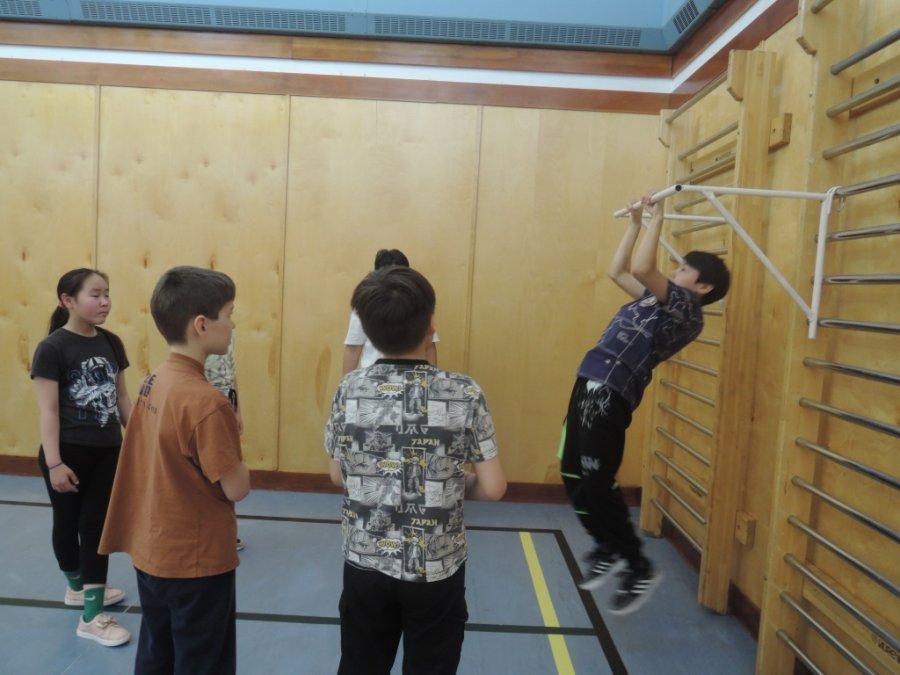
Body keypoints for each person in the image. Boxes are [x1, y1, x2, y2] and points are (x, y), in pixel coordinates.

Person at [325, 266, 507, 674]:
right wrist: (448, 483)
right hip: (435, 566)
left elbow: (338, 476)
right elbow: (494, 487)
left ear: (368, 333)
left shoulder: (349, 389)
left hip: (365, 562)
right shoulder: (464, 392)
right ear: (431, 327)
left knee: (361, 663)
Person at [560, 193, 730, 615]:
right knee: (572, 470)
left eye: (684, 269)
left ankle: (637, 567)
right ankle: (605, 544)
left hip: (611, 390)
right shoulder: (654, 299)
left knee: (598, 480)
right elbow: (619, 270)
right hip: (589, 380)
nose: (675, 271)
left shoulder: (686, 310)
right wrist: (635, 223)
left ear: (703, 287)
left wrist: (658, 215)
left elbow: (641, 268)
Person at [99, 266, 250, 674]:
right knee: (203, 660)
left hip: (153, 551)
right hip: (196, 561)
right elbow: (236, 487)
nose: (233, 324)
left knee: (157, 652)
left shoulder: (154, 380)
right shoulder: (208, 402)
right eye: (229, 314)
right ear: (202, 325)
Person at [31, 268, 132, 647]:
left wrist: (140, 441)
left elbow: (122, 398)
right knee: (67, 522)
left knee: (95, 528)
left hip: (108, 452)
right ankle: (77, 587)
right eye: (95, 294)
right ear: (67, 300)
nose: (105, 301)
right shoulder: (52, 348)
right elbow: (48, 411)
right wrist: (55, 463)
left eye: (107, 294)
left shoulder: (111, 342)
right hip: (68, 452)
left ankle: (92, 614)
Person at [342, 249, 438, 374]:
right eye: (388, 273)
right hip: (373, 377)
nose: (393, 279)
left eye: (399, 273)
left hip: (415, 376)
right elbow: (353, 348)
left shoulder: (420, 304)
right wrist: (347, 382)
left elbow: (429, 346)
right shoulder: (365, 305)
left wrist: (432, 377)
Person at [204, 332, 245, 551]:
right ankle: (210, 531)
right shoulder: (199, 337)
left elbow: (231, 372)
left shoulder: (228, 333)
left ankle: (227, 530)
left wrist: (236, 409)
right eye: (227, 315)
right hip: (206, 406)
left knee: (227, 469)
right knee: (210, 472)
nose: (232, 322)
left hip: (225, 402)